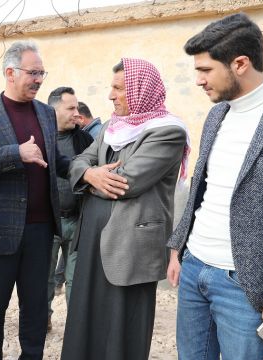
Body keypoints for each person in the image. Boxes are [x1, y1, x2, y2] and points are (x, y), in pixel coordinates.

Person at [61, 58, 189, 360]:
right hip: (92, 239)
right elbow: (79, 162)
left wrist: (89, 176)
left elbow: (126, 182)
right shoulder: (111, 127)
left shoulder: (167, 132)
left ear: (139, 90)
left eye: (118, 88)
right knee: (85, 319)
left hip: (130, 247)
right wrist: (89, 173)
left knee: (122, 329)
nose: (110, 95)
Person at [0, 41, 70, 359]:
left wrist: (86, 172)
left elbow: (57, 160)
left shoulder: (46, 114)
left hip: (40, 231)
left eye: (41, 73)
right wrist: (14, 154)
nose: (38, 79)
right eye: (33, 73)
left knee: (35, 310)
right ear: (10, 72)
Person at [167, 13, 263, 359]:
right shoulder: (217, 114)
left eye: (206, 70)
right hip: (194, 269)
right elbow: (201, 186)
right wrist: (180, 246)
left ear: (240, 63)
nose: (198, 80)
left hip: (246, 284)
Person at [45, 87, 93, 332]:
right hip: (47, 222)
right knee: (44, 279)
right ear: (54, 110)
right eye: (71, 108)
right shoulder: (40, 138)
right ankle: (44, 319)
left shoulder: (84, 139)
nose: (77, 113)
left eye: (77, 108)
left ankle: (76, 328)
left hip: (78, 221)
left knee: (76, 279)